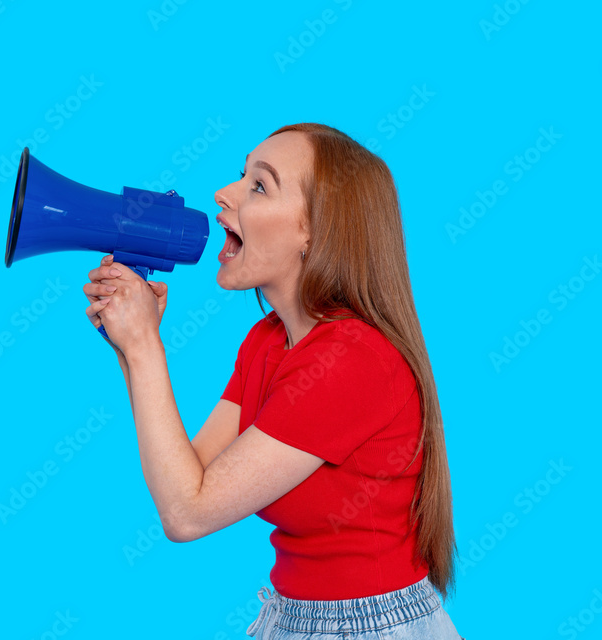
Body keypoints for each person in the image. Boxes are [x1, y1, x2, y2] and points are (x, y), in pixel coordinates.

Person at [82, 123, 464, 639]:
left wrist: (145, 347)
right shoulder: (267, 341)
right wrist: (131, 350)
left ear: (315, 231)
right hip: (292, 618)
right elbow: (189, 473)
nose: (224, 193)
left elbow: (187, 514)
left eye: (259, 185)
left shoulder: (353, 360)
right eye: (241, 176)